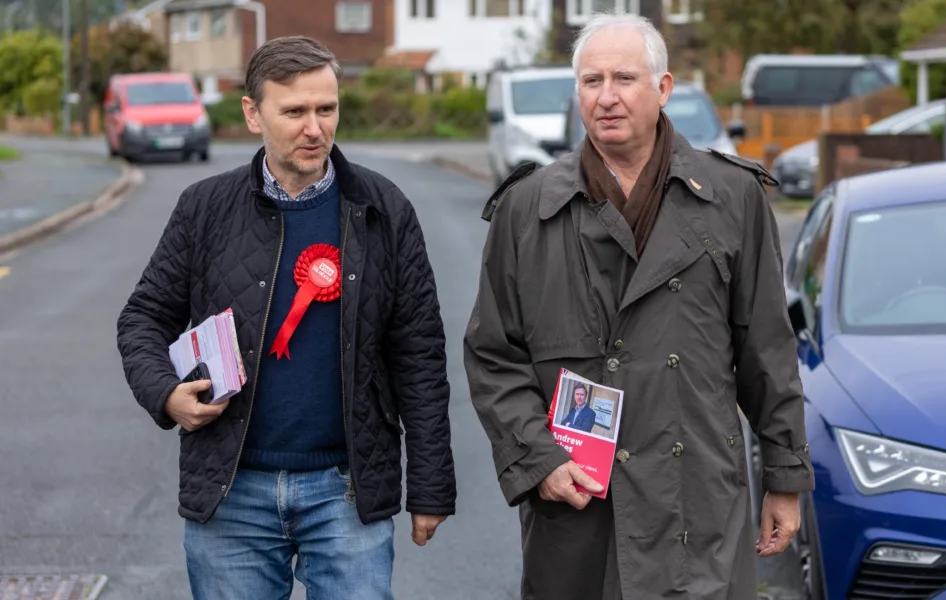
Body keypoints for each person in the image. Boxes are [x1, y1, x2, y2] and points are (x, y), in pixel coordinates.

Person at [463, 13, 814, 600]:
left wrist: (783, 477)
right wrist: (539, 458)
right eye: (591, 81)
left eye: (624, 78)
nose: (607, 97)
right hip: (579, 502)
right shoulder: (526, 209)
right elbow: (494, 355)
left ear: (663, 88)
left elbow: (768, 352)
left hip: (696, 501)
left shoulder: (732, 197)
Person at [116, 35, 456, 600]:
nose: (315, 127)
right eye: (294, 111)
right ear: (253, 113)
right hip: (230, 492)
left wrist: (430, 488)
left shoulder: (384, 209)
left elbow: (419, 354)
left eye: (327, 109)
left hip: (346, 491)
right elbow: (143, 319)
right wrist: (165, 395)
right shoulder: (204, 208)